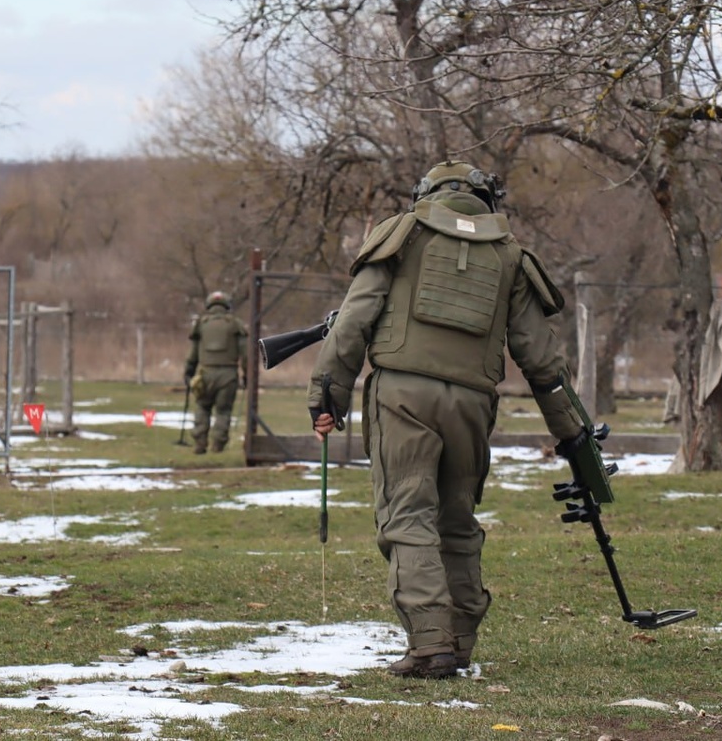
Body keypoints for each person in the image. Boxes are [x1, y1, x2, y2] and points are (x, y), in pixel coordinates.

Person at [307, 161, 585, 679]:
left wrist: (327, 397)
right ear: (486, 199)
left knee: (408, 517)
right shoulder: (511, 255)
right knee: (457, 521)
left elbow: (353, 322)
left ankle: (430, 643)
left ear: (425, 193)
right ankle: (458, 643)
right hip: (473, 404)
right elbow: (541, 359)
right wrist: (571, 432)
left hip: (401, 398)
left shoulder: (400, 234)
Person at [184, 290, 248, 454]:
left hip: (205, 373)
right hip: (228, 375)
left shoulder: (201, 324)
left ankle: (200, 443)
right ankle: (218, 445)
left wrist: (189, 371)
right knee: (223, 411)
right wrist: (247, 374)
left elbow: (193, 353)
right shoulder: (234, 324)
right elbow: (245, 353)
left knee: (202, 407)